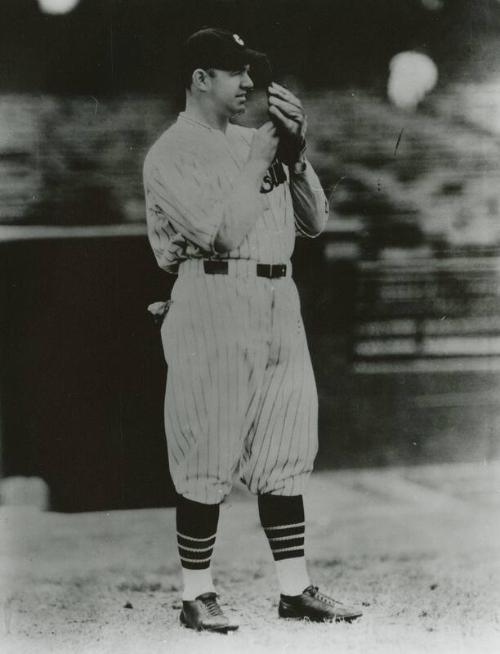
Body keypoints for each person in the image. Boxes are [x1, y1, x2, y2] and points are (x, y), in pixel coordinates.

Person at [143, 27, 362, 633]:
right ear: (200, 79)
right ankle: (197, 594)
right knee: (206, 446)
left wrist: (295, 154)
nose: (249, 84)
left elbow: (316, 223)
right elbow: (221, 235)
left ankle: (295, 590)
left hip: (276, 293)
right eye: (235, 71)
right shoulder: (171, 152)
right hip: (213, 289)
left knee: (286, 442)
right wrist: (266, 157)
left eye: (251, 71)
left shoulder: (254, 141)